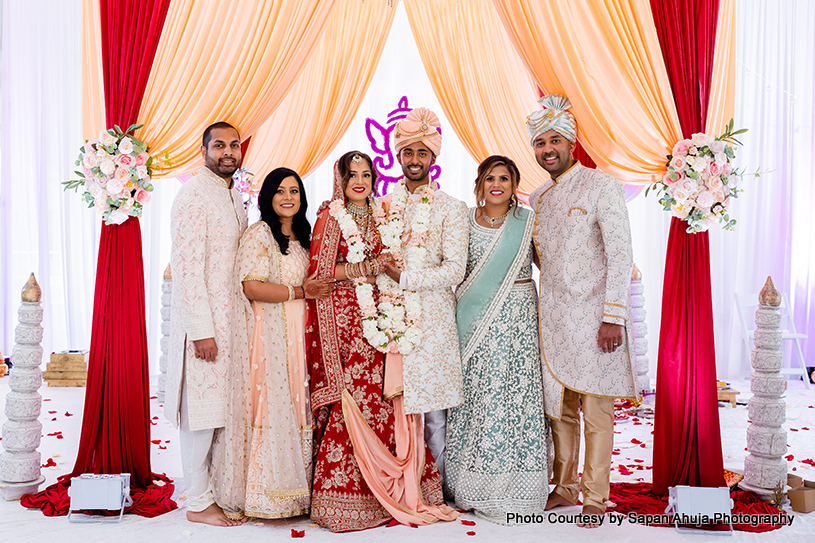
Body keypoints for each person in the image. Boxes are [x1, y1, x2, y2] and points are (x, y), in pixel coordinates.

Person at [307, 151, 447, 532]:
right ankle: (348, 497)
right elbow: (319, 271)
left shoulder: (384, 213)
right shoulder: (330, 216)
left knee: (387, 397)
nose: (359, 181)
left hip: (386, 317)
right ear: (340, 178)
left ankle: (397, 489)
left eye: (366, 174)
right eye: (351, 174)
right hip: (347, 320)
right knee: (356, 397)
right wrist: (364, 269)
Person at [526, 95, 636, 528]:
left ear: (572, 144)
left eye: (555, 140)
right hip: (553, 320)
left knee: (597, 412)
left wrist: (613, 316)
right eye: (539, 142)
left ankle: (596, 495)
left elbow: (621, 253)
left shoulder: (601, 185)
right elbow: (540, 260)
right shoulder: (538, 198)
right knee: (560, 411)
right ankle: (565, 486)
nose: (547, 149)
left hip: (594, 320)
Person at [208, 167, 334, 521]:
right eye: (280, 191)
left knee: (297, 405)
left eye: (294, 191)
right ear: (268, 196)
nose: (288, 197)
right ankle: (265, 495)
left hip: (300, 334)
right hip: (270, 335)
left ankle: (295, 493)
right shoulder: (260, 234)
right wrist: (299, 292)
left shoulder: (305, 237)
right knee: (272, 405)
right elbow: (251, 287)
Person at [445, 155, 549, 523]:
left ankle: (515, 485)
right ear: (479, 183)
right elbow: (455, 269)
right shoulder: (463, 222)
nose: (497, 185)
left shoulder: (527, 222)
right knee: (477, 394)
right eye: (490, 178)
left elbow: (548, 266)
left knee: (514, 395)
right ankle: (469, 483)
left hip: (518, 319)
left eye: (504, 178)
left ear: (514, 183)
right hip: (475, 322)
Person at [166, 122, 248, 526]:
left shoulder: (232, 197)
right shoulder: (194, 196)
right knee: (199, 415)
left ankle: (213, 490)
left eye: (234, 145)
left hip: (231, 327)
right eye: (220, 145)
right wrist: (201, 331)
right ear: (204, 150)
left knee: (218, 413)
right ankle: (197, 502)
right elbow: (186, 269)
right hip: (207, 330)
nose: (228, 152)